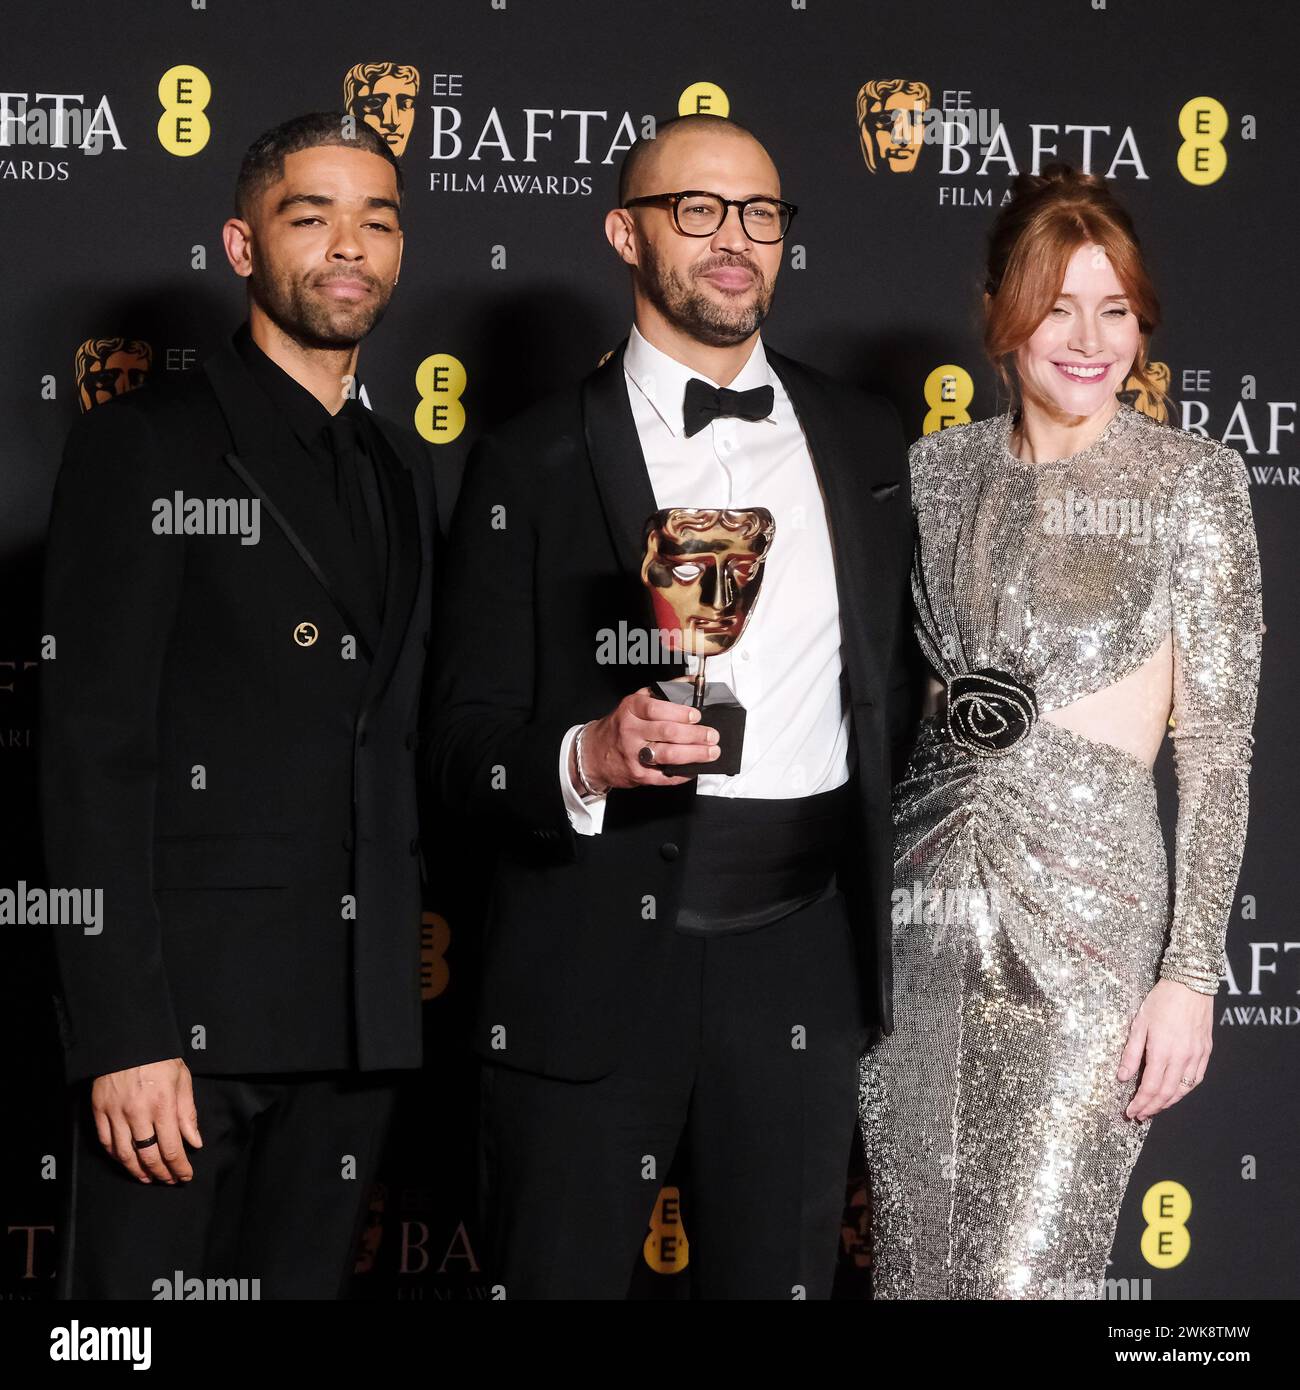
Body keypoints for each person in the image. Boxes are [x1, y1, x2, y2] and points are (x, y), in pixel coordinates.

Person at [426, 113, 918, 1298]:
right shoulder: (527, 461)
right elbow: (454, 743)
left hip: (799, 954)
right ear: (625, 234)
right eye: (695, 209)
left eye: (760, 212)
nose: (734, 239)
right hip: (591, 951)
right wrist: (587, 756)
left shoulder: (866, 439)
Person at [40, 112, 438, 1298]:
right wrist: (124, 1034)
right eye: (309, 217)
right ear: (242, 244)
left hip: (358, 1022)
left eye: (377, 219)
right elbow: (89, 752)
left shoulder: (402, 464)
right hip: (186, 1029)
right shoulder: (146, 445)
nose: (349, 247)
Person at [858, 164, 1264, 1300]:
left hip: (1088, 926)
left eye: (1115, 308)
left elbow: (1218, 749)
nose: (1087, 339)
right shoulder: (933, 474)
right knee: (913, 1270)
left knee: (1027, 1276)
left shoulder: (1191, 481)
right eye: (1056, 305)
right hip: (923, 912)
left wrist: (1190, 975)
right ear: (999, 309)